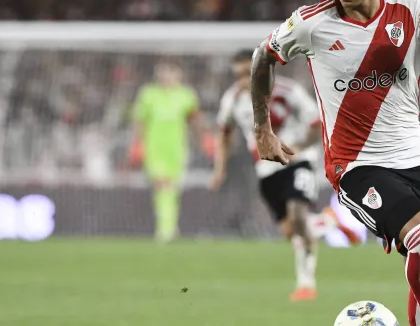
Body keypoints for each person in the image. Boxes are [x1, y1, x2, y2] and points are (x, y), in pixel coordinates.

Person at [248, 0, 420, 326]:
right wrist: (262, 128)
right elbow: (261, 57)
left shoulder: (411, 7)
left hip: (418, 158)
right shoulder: (311, 22)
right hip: (356, 165)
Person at [211, 49, 361, 301]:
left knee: (297, 216)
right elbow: (225, 134)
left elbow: (317, 123)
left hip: (298, 163)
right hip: (266, 169)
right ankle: (326, 221)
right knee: (290, 231)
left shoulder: (289, 92)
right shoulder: (233, 100)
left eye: (247, 74)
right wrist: (220, 169)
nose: (242, 80)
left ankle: (306, 285)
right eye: (237, 75)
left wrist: (301, 148)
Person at [130, 59, 213, 242]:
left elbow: (195, 120)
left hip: (177, 149)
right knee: (163, 185)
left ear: (178, 74)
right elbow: (139, 121)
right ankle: (165, 230)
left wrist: (204, 140)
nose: (165, 76)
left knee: (172, 189)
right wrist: (137, 145)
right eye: (161, 72)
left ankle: (170, 228)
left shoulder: (186, 95)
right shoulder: (148, 94)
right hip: (154, 149)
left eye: (170, 72)